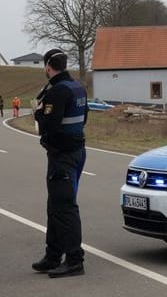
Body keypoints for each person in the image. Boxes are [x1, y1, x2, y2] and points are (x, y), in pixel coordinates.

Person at [32, 49, 88, 278]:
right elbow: (84, 118)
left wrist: (38, 113)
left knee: (64, 207)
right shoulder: (78, 88)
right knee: (55, 205)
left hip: (62, 156)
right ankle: (53, 256)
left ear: (48, 66)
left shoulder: (56, 92)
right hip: (77, 151)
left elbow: (48, 125)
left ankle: (75, 260)